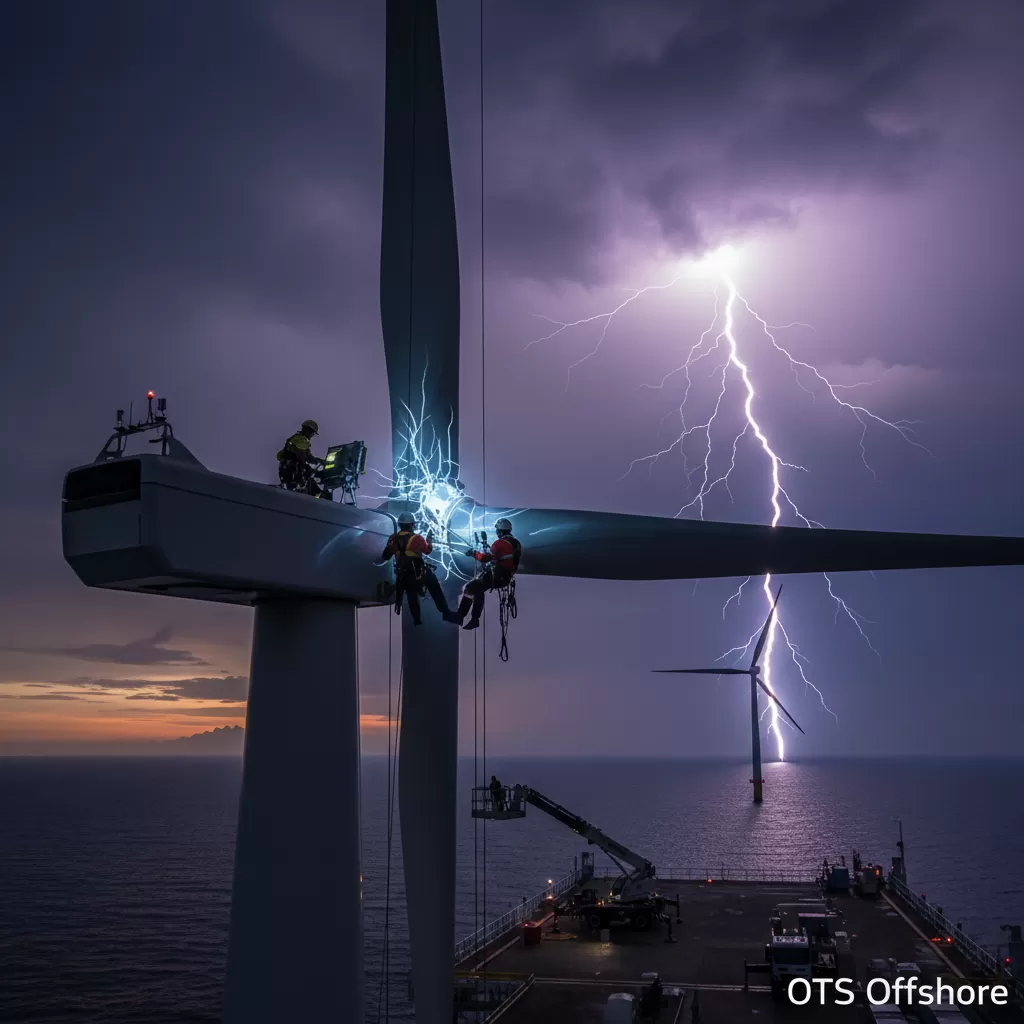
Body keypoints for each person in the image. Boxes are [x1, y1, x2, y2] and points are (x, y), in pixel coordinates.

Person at [445, 518, 522, 630]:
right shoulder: (516, 543)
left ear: (499, 531)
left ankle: (466, 617)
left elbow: (484, 558)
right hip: (506, 578)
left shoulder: (499, 543)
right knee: (476, 588)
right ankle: (467, 618)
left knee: (472, 587)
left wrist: (474, 553)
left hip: (496, 576)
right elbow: (505, 557)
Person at [381, 512, 451, 626]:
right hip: (418, 572)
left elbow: (386, 556)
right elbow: (427, 550)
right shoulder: (417, 538)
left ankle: (417, 619)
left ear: (400, 525)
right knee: (434, 585)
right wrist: (429, 541)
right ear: (412, 525)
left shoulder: (393, 539)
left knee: (411, 595)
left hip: (402, 574)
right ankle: (445, 611)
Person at [278, 419, 323, 495]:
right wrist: (309, 469)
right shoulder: (302, 440)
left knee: (299, 486)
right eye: (312, 433)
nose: (312, 436)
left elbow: (307, 456)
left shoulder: (296, 438)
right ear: (309, 431)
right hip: (292, 471)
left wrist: (318, 460)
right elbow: (302, 458)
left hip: (285, 470)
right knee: (299, 488)